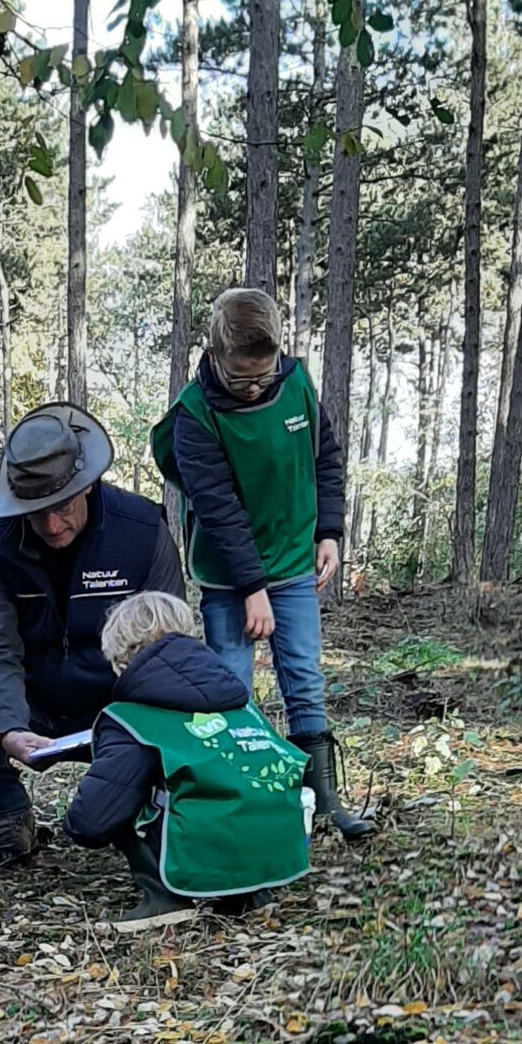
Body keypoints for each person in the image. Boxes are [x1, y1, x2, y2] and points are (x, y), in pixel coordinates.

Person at [151, 287, 374, 840]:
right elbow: (218, 508)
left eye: (263, 373)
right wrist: (252, 588)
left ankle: (322, 807)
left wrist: (328, 530)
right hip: (229, 577)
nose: (255, 385)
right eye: (241, 377)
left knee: (303, 677)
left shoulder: (295, 383)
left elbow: (324, 457)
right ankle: (242, 808)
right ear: (215, 356)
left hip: (295, 560)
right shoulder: (195, 416)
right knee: (230, 686)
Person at [0, 403, 182, 868]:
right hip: (33, 700)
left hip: (118, 706)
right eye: (34, 512)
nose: (50, 526)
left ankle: (149, 818)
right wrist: (10, 727)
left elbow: (172, 650)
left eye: (62, 507)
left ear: (87, 486)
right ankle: (8, 811)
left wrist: (127, 721)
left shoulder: (143, 531)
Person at [65, 591, 310, 930]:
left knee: (123, 797)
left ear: (121, 662)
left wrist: (72, 822)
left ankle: (164, 899)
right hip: (279, 848)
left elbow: (92, 822)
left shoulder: (129, 718)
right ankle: (247, 893)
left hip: (201, 843)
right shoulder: (240, 700)